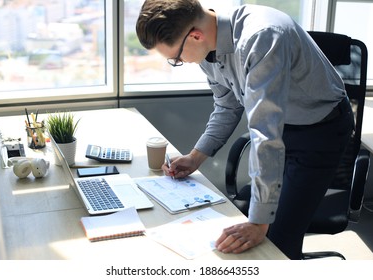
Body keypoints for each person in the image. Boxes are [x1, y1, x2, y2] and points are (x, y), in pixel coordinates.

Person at [136, 0, 354, 259]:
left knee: (278, 243)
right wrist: (195, 157)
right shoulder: (208, 49)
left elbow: (265, 134)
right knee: (249, 223)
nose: (181, 62)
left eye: (176, 59)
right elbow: (227, 107)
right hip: (281, 129)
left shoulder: (263, 38)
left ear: (195, 35)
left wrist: (259, 223)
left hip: (319, 131)